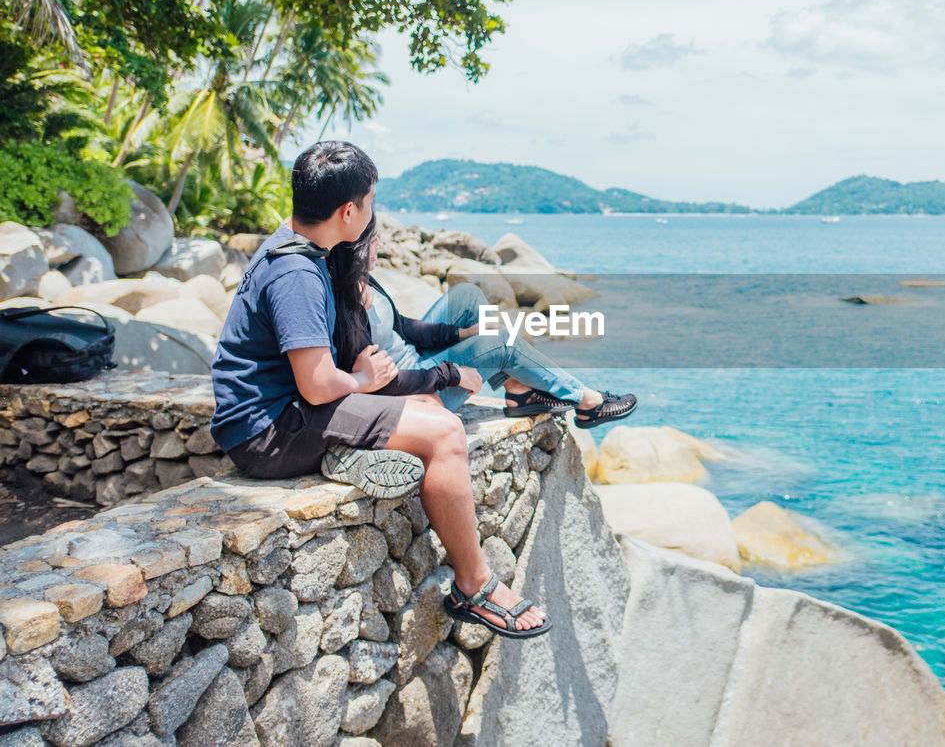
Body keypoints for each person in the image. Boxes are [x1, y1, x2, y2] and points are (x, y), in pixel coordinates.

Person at [210, 141, 549, 639]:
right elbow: (318, 383)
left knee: (418, 404)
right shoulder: (297, 273)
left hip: (275, 416)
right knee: (444, 432)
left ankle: (350, 449)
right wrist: (366, 383)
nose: (371, 216)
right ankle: (474, 586)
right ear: (348, 211)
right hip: (269, 431)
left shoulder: (290, 245)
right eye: (369, 203)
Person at [327, 214, 638, 428]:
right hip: (417, 390)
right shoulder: (344, 307)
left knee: (467, 294)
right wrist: (451, 375)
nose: (381, 246)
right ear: (354, 247)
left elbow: (404, 328)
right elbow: (382, 385)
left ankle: (516, 386)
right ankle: (586, 402)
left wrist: (464, 332)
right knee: (503, 341)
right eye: (374, 240)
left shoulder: (364, 280)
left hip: (418, 362)